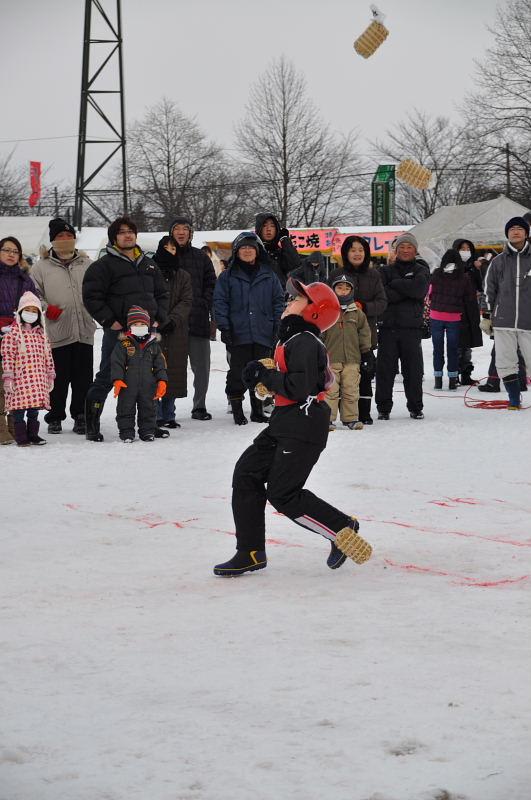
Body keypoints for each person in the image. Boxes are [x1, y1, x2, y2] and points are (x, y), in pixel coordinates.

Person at [213, 277, 373, 577]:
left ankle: (341, 527)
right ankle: (249, 551)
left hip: (303, 425)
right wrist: (262, 376)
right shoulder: (292, 339)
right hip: (286, 422)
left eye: (297, 300)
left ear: (314, 312)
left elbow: (299, 387)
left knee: (283, 493)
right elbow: (291, 380)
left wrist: (265, 375)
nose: (289, 303)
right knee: (246, 473)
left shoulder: (304, 341)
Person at [82, 216, 169, 441]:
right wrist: (111, 321)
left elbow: (162, 294)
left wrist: (159, 317)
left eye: (131, 231)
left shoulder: (149, 264)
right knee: (108, 375)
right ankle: (91, 423)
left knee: (148, 376)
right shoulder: (103, 266)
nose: (127, 235)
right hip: (120, 333)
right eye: (122, 232)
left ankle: (150, 424)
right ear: (114, 238)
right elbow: (92, 297)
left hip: (147, 333)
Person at [31, 218, 95, 435]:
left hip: (84, 329)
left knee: (83, 379)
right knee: (58, 379)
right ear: (52, 240)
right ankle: (55, 416)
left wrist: (94, 310)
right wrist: (45, 307)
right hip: (58, 330)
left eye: (69, 236)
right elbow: (32, 294)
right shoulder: (41, 267)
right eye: (60, 237)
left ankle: (81, 415)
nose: (66, 240)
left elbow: (97, 291)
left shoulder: (87, 263)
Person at [213, 232, 284, 425]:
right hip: (238, 333)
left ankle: (257, 410)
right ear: (236, 251)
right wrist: (225, 328)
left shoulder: (269, 275)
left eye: (251, 247)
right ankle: (237, 408)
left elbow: (278, 301)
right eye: (243, 247)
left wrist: (277, 325)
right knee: (237, 372)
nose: (247, 251)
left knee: (261, 371)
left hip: (263, 332)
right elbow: (220, 303)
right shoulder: (227, 276)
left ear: (257, 251)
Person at [329, 235, 387, 424]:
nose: (357, 253)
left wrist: (365, 307)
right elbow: (325, 301)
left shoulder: (374, 275)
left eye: (361, 250)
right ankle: (332, 414)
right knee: (335, 378)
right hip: (336, 337)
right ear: (346, 253)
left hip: (364, 335)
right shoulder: (336, 274)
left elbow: (382, 302)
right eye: (353, 250)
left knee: (364, 375)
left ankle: (363, 413)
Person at [375, 233, 430, 420]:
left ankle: (415, 407)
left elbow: (419, 291)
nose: (405, 250)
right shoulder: (384, 271)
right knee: (385, 371)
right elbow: (384, 295)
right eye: (402, 247)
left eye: (409, 247)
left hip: (412, 328)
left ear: (415, 250)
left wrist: (396, 285)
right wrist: (408, 288)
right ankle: (383, 408)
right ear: (396, 250)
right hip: (387, 327)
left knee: (413, 371)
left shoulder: (421, 269)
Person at [169, 217, 217, 421]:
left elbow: (211, 285)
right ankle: (166, 410)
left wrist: (203, 303)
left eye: (185, 229)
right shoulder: (163, 257)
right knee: (170, 367)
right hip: (172, 323)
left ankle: (199, 405)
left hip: (198, 320)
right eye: (177, 229)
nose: (181, 232)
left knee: (202, 368)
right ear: (171, 233)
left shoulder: (201, 257)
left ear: (190, 233)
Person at [484, 216, 531, 409]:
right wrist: (487, 316)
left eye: (520, 228)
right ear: (507, 234)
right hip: (503, 320)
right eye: (512, 229)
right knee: (505, 362)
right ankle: (513, 398)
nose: (516, 231)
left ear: (526, 233)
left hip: (529, 322)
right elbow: (489, 289)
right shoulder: (498, 262)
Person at [0, 291, 55, 446]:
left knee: (33, 409)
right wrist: (8, 377)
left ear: (39, 314)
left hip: (37, 379)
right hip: (20, 380)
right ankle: (21, 435)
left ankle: (33, 435)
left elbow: (48, 356)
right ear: (20, 312)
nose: (30, 314)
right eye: (27, 310)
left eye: (34, 311)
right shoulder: (13, 335)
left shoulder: (41, 335)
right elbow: (8, 357)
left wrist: (50, 374)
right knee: (19, 410)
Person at [152, 236, 193, 428]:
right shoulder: (150, 271)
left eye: (173, 248)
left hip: (176, 330)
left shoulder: (183, 275)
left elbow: (186, 300)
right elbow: (146, 297)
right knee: (154, 371)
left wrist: (173, 320)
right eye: (166, 247)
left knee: (173, 372)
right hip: (153, 329)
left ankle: (169, 413)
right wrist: (159, 318)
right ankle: (155, 413)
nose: (170, 251)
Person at [111, 306, 168, 442]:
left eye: (142, 324)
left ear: (147, 326)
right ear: (130, 326)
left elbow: (160, 365)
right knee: (125, 409)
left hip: (148, 385)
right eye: (135, 324)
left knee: (148, 409)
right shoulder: (124, 344)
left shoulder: (153, 345)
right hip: (127, 385)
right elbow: (116, 362)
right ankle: (126, 432)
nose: (139, 326)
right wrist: (117, 379)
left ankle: (147, 431)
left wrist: (162, 380)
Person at [323, 275, 373, 430]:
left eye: (346, 288)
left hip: (352, 359)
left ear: (351, 291)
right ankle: (327, 419)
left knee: (351, 390)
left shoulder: (357, 313)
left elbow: (364, 334)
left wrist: (366, 352)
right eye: (339, 288)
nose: (343, 291)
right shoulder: (327, 311)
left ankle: (350, 418)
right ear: (333, 289)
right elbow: (320, 334)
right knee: (330, 391)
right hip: (331, 359)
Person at [0, 236, 36, 445]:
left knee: (16, 382)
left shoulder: (25, 279)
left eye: (16, 251)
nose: (12, 254)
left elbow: (32, 306)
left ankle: (15, 424)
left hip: (18, 336)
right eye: (7, 250)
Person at [429, 249, 481, 390]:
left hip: (436, 316)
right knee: (452, 349)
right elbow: (469, 299)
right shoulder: (464, 277)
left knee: (437, 350)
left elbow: (430, 293)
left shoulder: (436, 273)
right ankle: (452, 380)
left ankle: (438, 380)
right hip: (454, 318)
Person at [452, 238, 483, 385]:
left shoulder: (474, 265)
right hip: (456, 309)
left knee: (468, 344)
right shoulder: (451, 266)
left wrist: (478, 269)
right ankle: (454, 374)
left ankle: (466, 374)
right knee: (457, 343)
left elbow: (481, 285)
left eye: (467, 248)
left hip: (471, 309)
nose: (465, 251)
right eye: (462, 248)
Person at [254, 212, 301, 288]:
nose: (268, 229)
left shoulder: (280, 251)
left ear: (276, 229)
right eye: (264, 225)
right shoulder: (252, 250)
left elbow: (295, 265)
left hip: (280, 295)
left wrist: (285, 240)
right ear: (258, 228)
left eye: (272, 226)